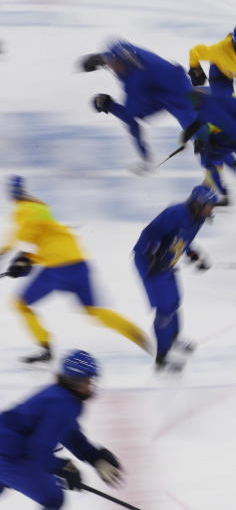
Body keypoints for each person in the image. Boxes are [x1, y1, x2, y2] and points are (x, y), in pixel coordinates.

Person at [0, 176, 149, 363]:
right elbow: (40, 240)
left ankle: (45, 348)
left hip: (58, 269)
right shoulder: (41, 209)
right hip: (79, 264)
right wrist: (25, 260)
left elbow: (24, 234)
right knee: (95, 312)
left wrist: (21, 258)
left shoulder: (24, 210)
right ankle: (137, 335)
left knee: (20, 304)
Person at [0, 350, 124, 510]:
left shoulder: (60, 396)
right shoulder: (64, 403)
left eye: (91, 380)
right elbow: (37, 450)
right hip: (9, 456)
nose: (90, 385)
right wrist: (62, 467)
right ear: (73, 380)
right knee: (53, 499)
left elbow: (69, 434)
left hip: (7, 449)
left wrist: (95, 458)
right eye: (86, 380)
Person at [133, 185, 216, 371]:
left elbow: (181, 238)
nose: (211, 210)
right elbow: (151, 233)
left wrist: (193, 254)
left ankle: (174, 339)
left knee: (175, 302)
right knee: (164, 309)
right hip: (149, 263)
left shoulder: (198, 218)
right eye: (208, 205)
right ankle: (162, 357)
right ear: (197, 203)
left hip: (166, 263)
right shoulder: (175, 213)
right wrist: (151, 255)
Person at [81, 40, 197, 169]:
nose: (113, 67)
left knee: (202, 138)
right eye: (111, 62)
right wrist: (101, 58)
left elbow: (132, 122)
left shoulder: (135, 83)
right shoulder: (125, 52)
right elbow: (117, 49)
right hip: (164, 84)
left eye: (115, 64)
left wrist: (108, 105)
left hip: (179, 98)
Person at [187, 24, 236, 97]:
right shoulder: (221, 50)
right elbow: (194, 52)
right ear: (234, 44)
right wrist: (196, 69)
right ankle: (202, 93)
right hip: (221, 70)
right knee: (223, 99)